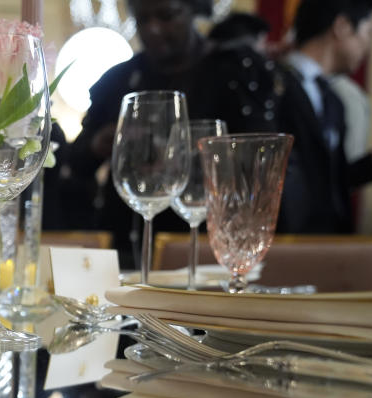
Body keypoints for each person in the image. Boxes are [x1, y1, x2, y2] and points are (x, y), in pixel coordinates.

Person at [52, 0, 284, 268]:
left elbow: (259, 157)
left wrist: (191, 158)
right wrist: (99, 143)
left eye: (166, 16)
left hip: (210, 240)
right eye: (143, 20)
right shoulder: (120, 80)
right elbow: (75, 164)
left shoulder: (234, 71)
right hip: (129, 240)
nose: (154, 29)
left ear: (193, 10)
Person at [276, 0, 372, 233]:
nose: (368, 46)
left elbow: (328, 181)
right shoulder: (272, 88)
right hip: (287, 248)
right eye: (368, 32)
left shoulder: (334, 100)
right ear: (342, 26)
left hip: (330, 244)